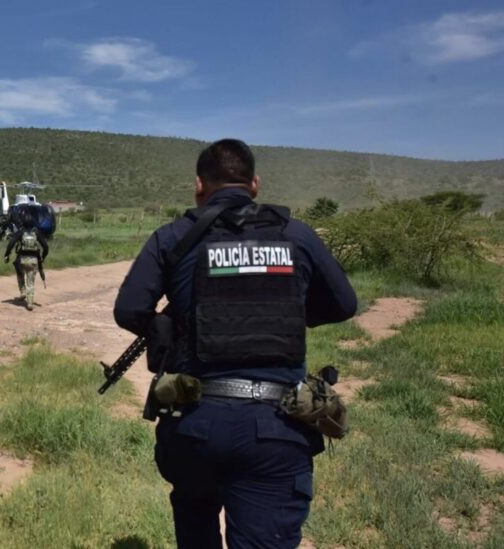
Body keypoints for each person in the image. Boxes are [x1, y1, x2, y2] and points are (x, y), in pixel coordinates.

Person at [113, 139, 357, 548]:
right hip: (277, 428)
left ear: (199, 186)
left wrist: (170, 327)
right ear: (254, 184)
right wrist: (287, 312)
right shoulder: (296, 235)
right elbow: (344, 304)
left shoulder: (173, 236)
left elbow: (129, 310)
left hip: (195, 427)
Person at [3, 208, 48, 311]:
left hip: (21, 260)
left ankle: (22, 291)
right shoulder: (37, 233)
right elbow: (46, 247)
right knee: (30, 282)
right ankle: (30, 303)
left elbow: (11, 244)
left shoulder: (20, 232)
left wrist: (7, 254)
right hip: (33, 261)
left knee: (20, 275)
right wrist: (43, 257)